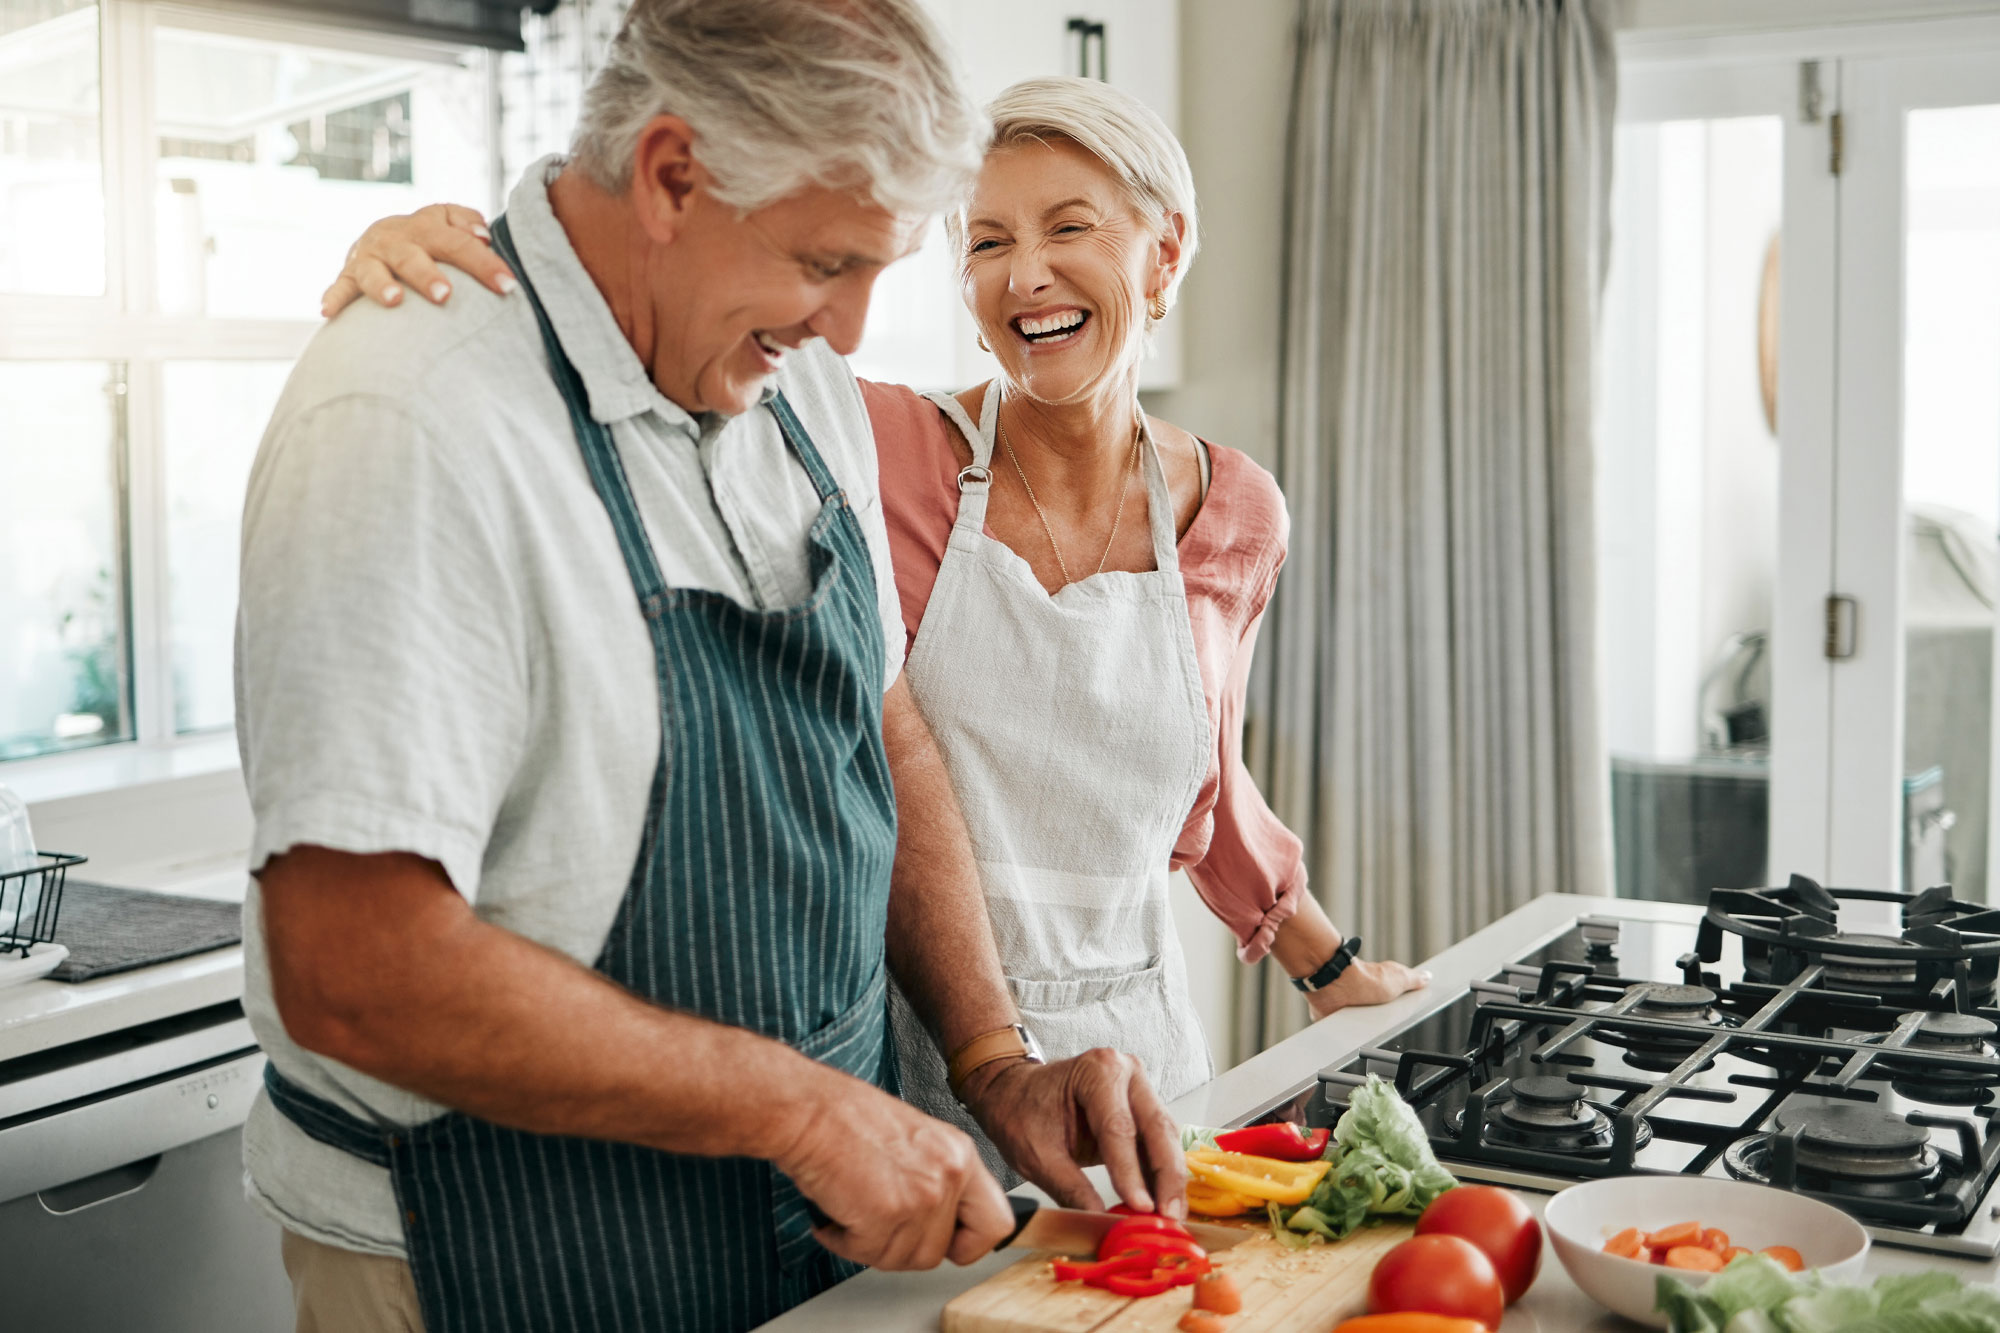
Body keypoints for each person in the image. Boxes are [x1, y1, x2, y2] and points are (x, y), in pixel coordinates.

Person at [236, 6, 1189, 1332]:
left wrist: (991, 1063)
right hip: (501, 1248)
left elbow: (881, 724)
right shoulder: (411, 417)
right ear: (674, 175)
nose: (853, 332)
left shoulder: (794, 383)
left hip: (799, 1228)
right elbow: (352, 963)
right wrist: (796, 1108)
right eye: (825, 261)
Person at [323, 76, 1432, 1184]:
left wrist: (1325, 964)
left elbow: (1202, 775)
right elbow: (653, 328)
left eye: (1068, 227)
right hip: (912, 1063)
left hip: (1141, 1062)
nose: (1023, 273)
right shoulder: (877, 441)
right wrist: (464, 261)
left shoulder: (1232, 509)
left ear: (1164, 249)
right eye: (985, 239)